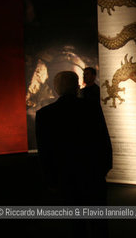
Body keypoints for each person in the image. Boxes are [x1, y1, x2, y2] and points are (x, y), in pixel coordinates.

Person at [36, 71, 112, 237]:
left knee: (76, 224)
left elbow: (45, 152)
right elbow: (103, 140)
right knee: (99, 223)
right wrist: (104, 168)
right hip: (93, 174)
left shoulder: (44, 115)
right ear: (77, 86)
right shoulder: (91, 108)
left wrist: (51, 179)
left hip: (66, 177)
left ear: (56, 88)